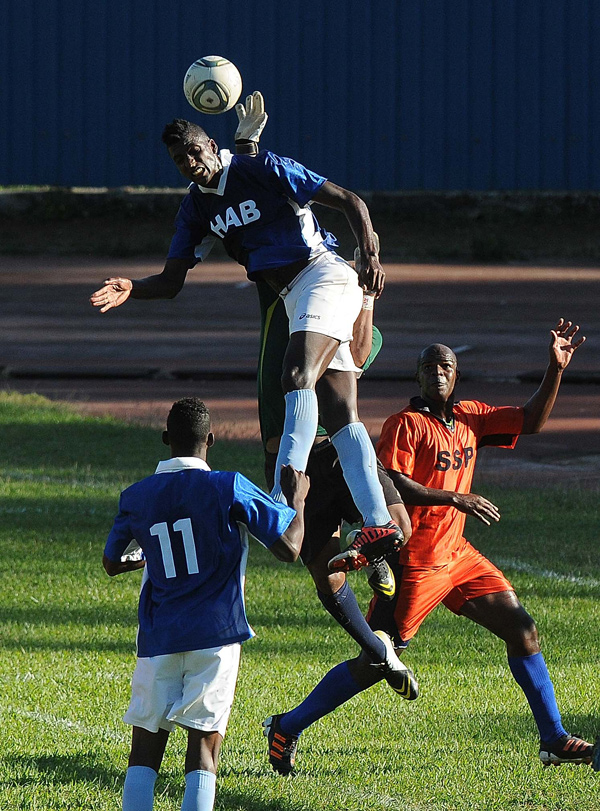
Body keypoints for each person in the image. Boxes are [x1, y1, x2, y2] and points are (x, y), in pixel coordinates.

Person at [262, 320, 594, 774]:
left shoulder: (472, 416)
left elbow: (531, 420)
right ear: (417, 376)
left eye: (447, 365)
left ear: (456, 376)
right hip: (416, 561)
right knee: (379, 660)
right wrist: (453, 497)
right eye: (430, 365)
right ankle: (287, 725)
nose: (439, 371)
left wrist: (555, 368)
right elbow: (391, 481)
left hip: (458, 555)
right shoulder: (405, 423)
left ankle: (553, 737)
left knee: (523, 631)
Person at [91, 94, 403, 570]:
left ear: (212, 145)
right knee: (341, 412)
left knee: (295, 377)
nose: (190, 163)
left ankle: (282, 492)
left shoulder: (262, 167)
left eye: (195, 151)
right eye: (180, 161)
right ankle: (379, 520)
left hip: (324, 274)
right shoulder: (195, 210)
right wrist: (132, 287)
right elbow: (172, 281)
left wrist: (370, 256)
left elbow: (349, 201)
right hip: (292, 295)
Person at [102, 397, 309, 811]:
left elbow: (111, 561)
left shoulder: (137, 495)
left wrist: (145, 556)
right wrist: (296, 499)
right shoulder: (228, 485)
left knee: (144, 747)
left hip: (159, 633)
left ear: (165, 439)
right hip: (215, 635)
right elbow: (290, 548)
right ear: (211, 439)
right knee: (204, 748)